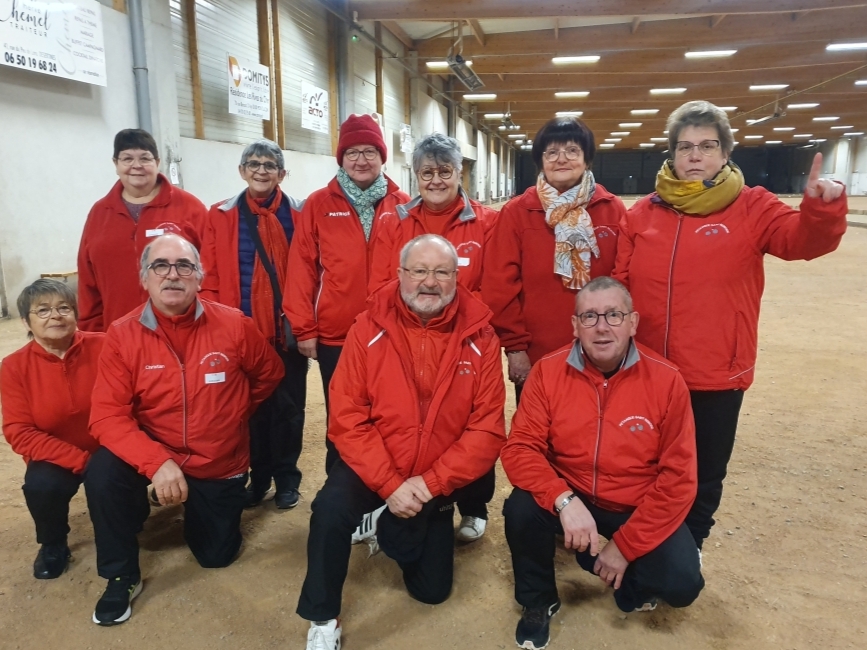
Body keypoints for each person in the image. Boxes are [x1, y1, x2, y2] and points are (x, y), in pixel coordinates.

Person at [612, 100, 848, 550]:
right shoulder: (642, 214)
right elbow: (621, 284)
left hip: (715, 373)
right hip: (648, 369)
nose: (695, 155)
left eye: (707, 145)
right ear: (672, 154)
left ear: (725, 152)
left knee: (703, 471)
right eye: (685, 147)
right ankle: (643, 543)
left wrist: (822, 209)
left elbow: (802, 241)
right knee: (646, 463)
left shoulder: (753, 206)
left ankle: (690, 546)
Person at [296, 235, 506, 650]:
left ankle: (384, 521)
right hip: (377, 463)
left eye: (442, 272)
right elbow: (347, 416)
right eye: (419, 271)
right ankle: (323, 616)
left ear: (456, 277)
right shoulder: (366, 328)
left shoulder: (481, 337)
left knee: (431, 590)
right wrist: (390, 485)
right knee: (330, 511)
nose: (430, 282)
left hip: (435, 474)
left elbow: (486, 430)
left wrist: (429, 484)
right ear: (400, 275)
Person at [84, 234, 283, 626]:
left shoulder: (235, 326)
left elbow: (269, 374)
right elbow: (106, 416)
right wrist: (157, 462)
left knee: (216, 557)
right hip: (154, 453)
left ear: (199, 277)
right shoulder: (122, 336)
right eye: (161, 265)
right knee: (103, 473)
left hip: (217, 459)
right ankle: (121, 574)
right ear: (144, 278)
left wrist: (231, 413)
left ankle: (193, 506)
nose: (172, 274)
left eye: (184, 266)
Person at [501, 277, 703, 650]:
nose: (602, 326)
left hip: (635, 504)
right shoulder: (547, 372)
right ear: (575, 326)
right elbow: (520, 449)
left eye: (613, 314)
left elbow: (679, 479)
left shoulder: (667, 380)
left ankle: (610, 570)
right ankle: (537, 600)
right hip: (574, 494)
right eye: (589, 316)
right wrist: (563, 500)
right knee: (520, 509)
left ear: (633, 322)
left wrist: (624, 547)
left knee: (682, 584)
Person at [370, 133, 500, 543]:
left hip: (467, 341)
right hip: (408, 337)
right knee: (414, 421)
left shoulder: (487, 222)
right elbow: (380, 284)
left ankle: (474, 506)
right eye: (428, 172)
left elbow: (493, 287)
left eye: (445, 171)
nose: (437, 180)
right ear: (416, 175)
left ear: (459, 173)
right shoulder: (394, 220)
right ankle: (400, 494)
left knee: (473, 422)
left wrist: (464, 325)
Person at [285, 113, 410, 473]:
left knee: (389, 413)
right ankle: (342, 486)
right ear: (341, 158)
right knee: (344, 415)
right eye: (352, 151)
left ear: (382, 156)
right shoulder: (319, 204)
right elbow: (301, 269)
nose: (361, 159)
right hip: (336, 336)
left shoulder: (402, 204)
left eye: (370, 150)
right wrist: (304, 328)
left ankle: (387, 487)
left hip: (391, 332)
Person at [482, 116, 626, 401]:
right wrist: (515, 348)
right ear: (541, 160)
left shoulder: (612, 210)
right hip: (538, 354)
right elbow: (500, 284)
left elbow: (626, 278)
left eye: (572, 150)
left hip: (601, 350)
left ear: (586, 159)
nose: (562, 159)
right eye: (552, 152)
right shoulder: (517, 213)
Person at [200, 139, 308, 510]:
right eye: (254, 164)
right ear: (242, 171)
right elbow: (210, 275)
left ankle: (286, 480)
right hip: (239, 332)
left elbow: (312, 271)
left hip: (286, 331)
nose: (261, 170)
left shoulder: (300, 213)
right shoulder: (220, 214)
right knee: (248, 410)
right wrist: (218, 325)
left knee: (289, 409)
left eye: (269, 165)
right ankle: (257, 478)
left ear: (282, 173)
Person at [1, 279, 104, 580]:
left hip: (108, 446)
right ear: (25, 321)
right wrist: (82, 462)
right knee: (41, 486)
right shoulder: (13, 366)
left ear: (75, 313)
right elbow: (19, 431)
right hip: (56, 454)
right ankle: (52, 543)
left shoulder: (105, 345)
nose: (55, 316)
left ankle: (122, 521)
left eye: (64, 308)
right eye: (42, 310)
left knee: (131, 514)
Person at [77, 128, 208, 332]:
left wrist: (207, 325)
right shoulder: (99, 213)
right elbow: (88, 282)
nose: (136, 166)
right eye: (127, 158)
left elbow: (210, 271)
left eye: (144, 158)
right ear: (116, 164)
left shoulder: (190, 208)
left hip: (182, 331)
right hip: (118, 332)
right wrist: (92, 334)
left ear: (157, 163)